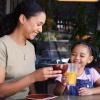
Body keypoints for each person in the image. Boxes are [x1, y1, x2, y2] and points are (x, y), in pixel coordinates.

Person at [0, 0, 62, 99]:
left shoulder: (30, 47)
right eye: (38, 24)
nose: (41, 30)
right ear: (23, 19)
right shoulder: (2, 45)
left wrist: (37, 97)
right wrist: (33, 77)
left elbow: (30, 86)